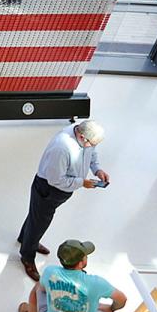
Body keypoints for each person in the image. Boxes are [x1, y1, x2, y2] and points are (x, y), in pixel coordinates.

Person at [17, 120, 109, 281]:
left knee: (36, 216)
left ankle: (25, 238)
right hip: (49, 189)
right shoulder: (62, 148)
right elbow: (55, 180)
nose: (92, 147)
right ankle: (27, 256)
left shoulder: (86, 140)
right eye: (91, 144)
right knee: (40, 222)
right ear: (81, 136)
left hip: (64, 188)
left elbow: (92, 153)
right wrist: (82, 183)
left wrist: (97, 169)